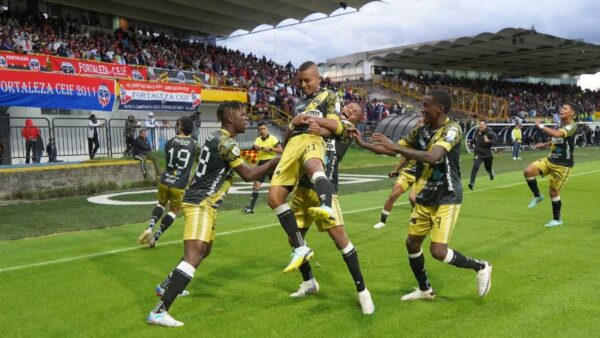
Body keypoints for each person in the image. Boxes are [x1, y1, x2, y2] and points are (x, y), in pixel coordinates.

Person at [146, 101, 280, 327]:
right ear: (230, 119)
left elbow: (231, 160)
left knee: (204, 250)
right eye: (241, 115)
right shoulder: (227, 143)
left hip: (204, 203)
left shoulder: (217, 138)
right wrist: (275, 160)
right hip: (201, 203)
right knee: (194, 255)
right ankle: (159, 312)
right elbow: (248, 174)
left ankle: (165, 286)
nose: (246, 119)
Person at [352, 90, 492, 301]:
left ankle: (480, 266)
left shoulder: (452, 129)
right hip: (425, 196)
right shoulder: (421, 130)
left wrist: (394, 147)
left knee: (438, 251)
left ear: (440, 109)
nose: (422, 109)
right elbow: (393, 151)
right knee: (412, 244)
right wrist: (364, 144)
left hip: (447, 196)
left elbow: (434, 156)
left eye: (426, 106)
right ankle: (425, 289)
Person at [288, 102, 374, 315]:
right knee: (295, 239)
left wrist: (311, 122)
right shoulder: (329, 119)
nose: (349, 110)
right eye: (348, 106)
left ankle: (363, 291)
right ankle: (309, 282)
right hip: (303, 189)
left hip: (324, 190)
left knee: (340, 240)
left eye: (354, 111)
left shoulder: (348, 130)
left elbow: (330, 129)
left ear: (358, 120)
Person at [268, 61, 342, 273]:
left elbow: (336, 127)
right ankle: (301, 248)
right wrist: (293, 123)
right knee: (274, 198)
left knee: (338, 236)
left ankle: (326, 204)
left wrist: (315, 124)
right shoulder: (298, 104)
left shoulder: (330, 96)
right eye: (299, 81)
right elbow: (286, 138)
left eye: (307, 80)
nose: (303, 84)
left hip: (314, 145)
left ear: (318, 78)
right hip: (293, 149)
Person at [138, 117, 199, 248]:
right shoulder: (194, 144)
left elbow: (167, 155)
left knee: (160, 204)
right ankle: (155, 237)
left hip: (165, 180)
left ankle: (150, 227)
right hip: (180, 184)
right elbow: (198, 159)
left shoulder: (170, 141)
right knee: (173, 211)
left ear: (181, 127)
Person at [523, 102, 577, 227]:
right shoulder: (562, 125)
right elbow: (558, 139)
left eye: (565, 108)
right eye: (561, 107)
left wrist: (540, 126)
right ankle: (537, 196)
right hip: (550, 159)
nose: (561, 109)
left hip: (563, 165)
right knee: (528, 171)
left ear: (572, 113)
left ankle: (557, 219)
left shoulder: (572, 126)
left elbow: (557, 134)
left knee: (553, 192)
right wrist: (544, 144)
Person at [242, 121, 283, 213]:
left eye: (264, 129)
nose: (262, 131)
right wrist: (253, 147)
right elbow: (253, 154)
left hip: (272, 163)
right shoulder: (257, 140)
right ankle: (251, 208)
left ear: (267, 129)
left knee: (275, 186)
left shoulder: (273, 139)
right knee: (256, 185)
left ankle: (280, 205)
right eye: (260, 129)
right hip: (261, 164)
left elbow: (280, 150)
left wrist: (271, 149)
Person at [370, 156, 418, 229]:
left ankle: (416, 216)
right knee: (393, 195)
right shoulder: (413, 145)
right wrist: (395, 170)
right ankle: (382, 222)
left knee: (413, 198)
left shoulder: (431, 147)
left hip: (420, 176)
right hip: (407, 173)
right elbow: (405, 157)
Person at [468, 120, 498, 190]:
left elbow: (496, 142)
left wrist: (489, 141)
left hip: (487, 154)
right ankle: (471, 183)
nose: (481, 125)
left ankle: (490, 172)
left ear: (485, 125)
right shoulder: (477, 131)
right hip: (478, 153)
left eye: (483, 124)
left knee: (487, 168)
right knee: (475, 166)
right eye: (480, 124)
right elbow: (475, 139)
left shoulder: (490, 133)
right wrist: (471, 143)